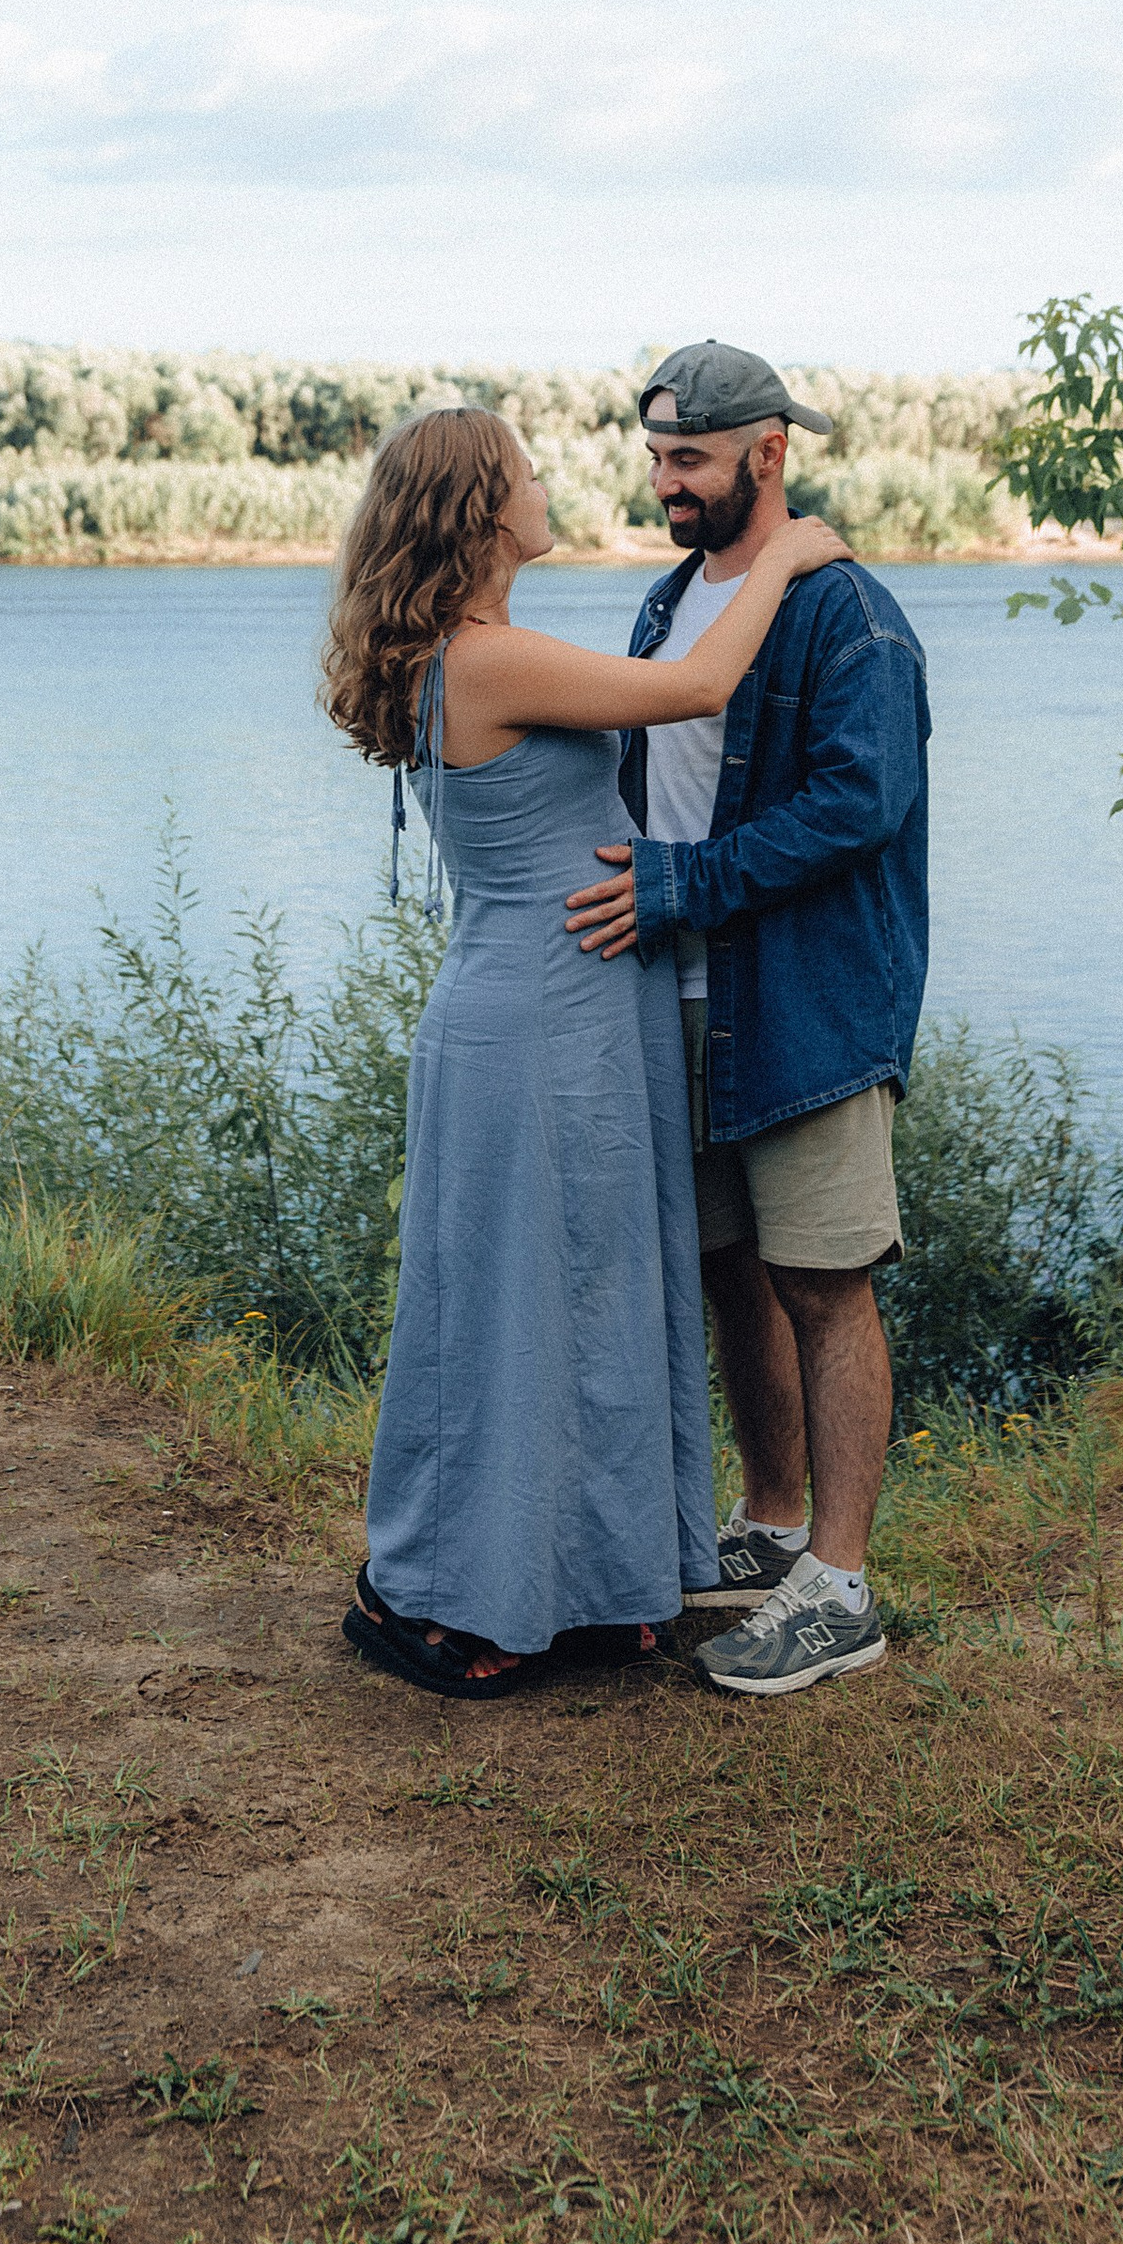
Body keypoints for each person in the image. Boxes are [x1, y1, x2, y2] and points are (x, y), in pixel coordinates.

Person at [319, 404, 850, 1700]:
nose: (550, 485)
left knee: (589, 1295)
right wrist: (784, 558)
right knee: (525, 1310)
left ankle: (593, 1581)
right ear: (483, 510)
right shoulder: (484, 659)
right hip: (540, 1020)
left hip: (562, 1007)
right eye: (529, 472)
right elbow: (699, 688)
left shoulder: (470, 654)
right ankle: (483, 1594)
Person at [563, 341, 930, 1697]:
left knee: (827, 1283)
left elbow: (859, 804)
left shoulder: (849, 619)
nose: (665, 482)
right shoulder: (672, 606)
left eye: (688, 461)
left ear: (767, 455)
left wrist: (682, 887)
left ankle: (843, 1586)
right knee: (732, 1269)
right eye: (657, 457)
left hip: (810, 1004)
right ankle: (774, 1527)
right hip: (684, 1005)